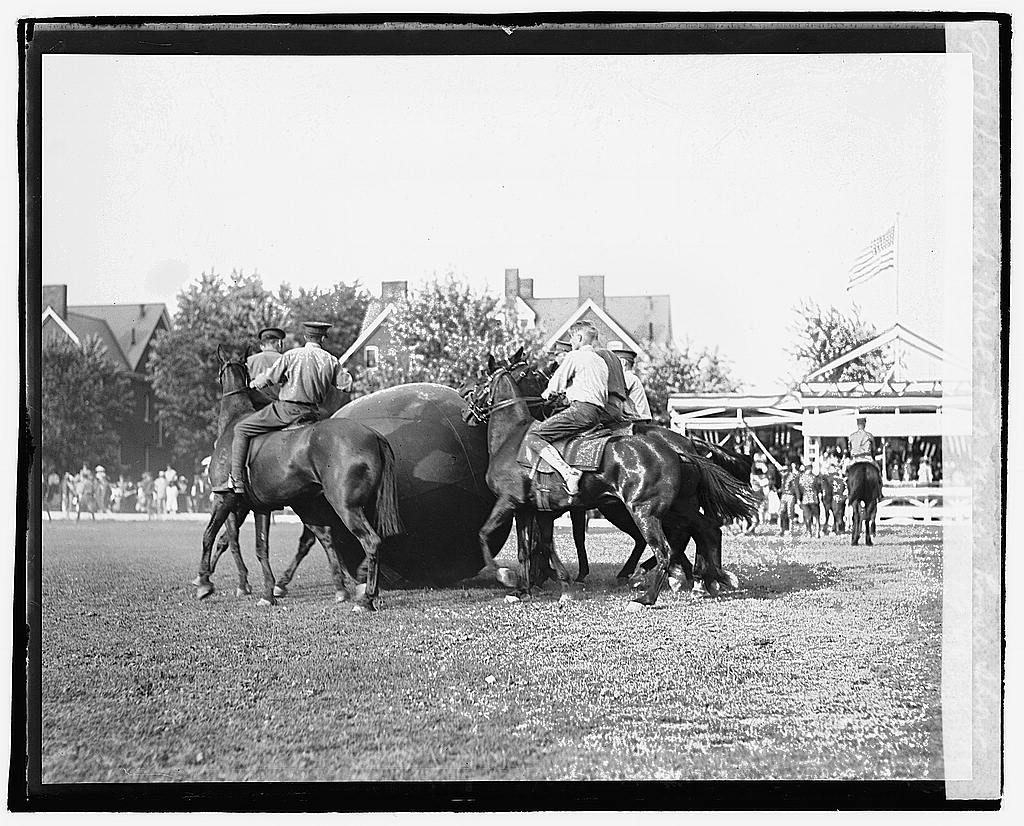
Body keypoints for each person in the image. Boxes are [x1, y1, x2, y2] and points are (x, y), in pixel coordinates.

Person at [231, 321, 354, 493]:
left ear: (305, 337)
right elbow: (347, 385)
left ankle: (237, 480)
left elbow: (269, 378)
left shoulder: (292, 355)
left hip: (286, 411)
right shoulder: (331, 360)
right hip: (312, 413)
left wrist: (253, 383)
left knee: (241, 429)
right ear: (323, 339)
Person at [534, 320, 627, 496]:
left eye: (571, 338)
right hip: (597, 412)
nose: (570, 343)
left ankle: (568, 473)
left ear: (579, 337)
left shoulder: (574, 356)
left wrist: (544, 396)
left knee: (535, 435)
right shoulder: (600, 361)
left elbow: (555, 386)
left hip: (580, 410)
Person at [607, 340, 653, 423]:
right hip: (636, 419)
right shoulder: (630, 377)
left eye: (612, 361)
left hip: (636, 420)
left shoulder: (627, 377)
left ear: (623, 363)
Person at [247, 326, 286, 401]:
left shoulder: (249, 360)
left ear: (261, 346)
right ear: (279, 343)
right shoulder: (285, 359)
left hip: (254, 403)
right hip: (279, 404)